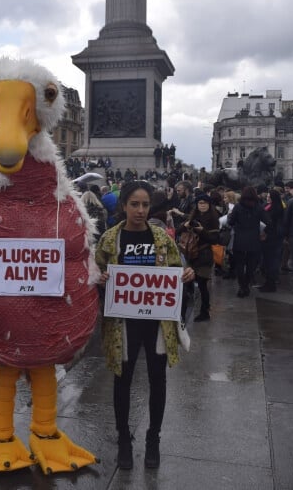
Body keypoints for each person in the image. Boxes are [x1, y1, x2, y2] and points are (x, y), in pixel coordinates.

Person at [95, 180, 195, 470]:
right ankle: (124, 439)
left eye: (145, 205)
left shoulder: (162, 238)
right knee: (122, 380)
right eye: (134, 204)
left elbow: (177, 267)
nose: (140, 210)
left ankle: (153, 438)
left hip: (157, 324)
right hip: (123, 323)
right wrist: (99, 278)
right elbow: (96, 268)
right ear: (124, 206)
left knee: (157, 380)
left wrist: (186, 274)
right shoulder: (110, 238)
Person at [183, 192, 220, 321]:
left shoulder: (213, 218)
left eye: (205, 203)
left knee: (203, 284)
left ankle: (205, 311)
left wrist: (202, 231)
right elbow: (180, 231)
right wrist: (185, 226)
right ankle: (184, 309)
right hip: (191, 254)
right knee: (188, 282)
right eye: (200, 203)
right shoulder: (193, 216)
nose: (202, 205)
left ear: (209, 205)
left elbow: (215, 239)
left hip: (204, 255)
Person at [228, 186, 270, 298]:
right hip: (254, 239)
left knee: (240, 265)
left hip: (240, 239)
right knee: (251, 265)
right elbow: (269, 222)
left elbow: (231, 222)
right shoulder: (259, 207)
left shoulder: (237, 207)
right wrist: (264, 232)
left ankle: (242, 286)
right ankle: (246, 284)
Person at [258, 188, 285, 293]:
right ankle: (268, 282)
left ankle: (271, 283)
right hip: (269, 236)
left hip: (272, 237)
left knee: (271, 261)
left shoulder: (276, 209)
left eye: (270, 197)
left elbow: (271, 223)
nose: (267, 198)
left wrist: (265, 232)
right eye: (267, 196)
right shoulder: (268, 206)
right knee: (268, 261)